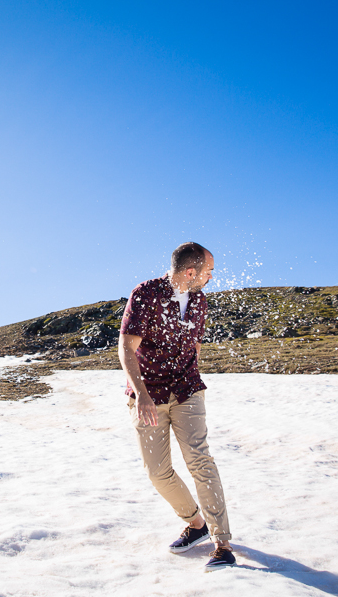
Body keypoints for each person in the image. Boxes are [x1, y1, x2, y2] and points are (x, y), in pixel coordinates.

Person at [118, 242, 235, 571]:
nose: (212, 276)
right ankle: (195, 523)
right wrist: (140, 393)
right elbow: (127, 347)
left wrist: (191, 370)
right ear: (190, 272)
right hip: (148, 394)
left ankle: (221, 541)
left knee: (200, 460)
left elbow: (195, 343)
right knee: (157, 471)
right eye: (208, 271)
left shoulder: (199, 300)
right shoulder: (145, 294)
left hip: (187, 391)